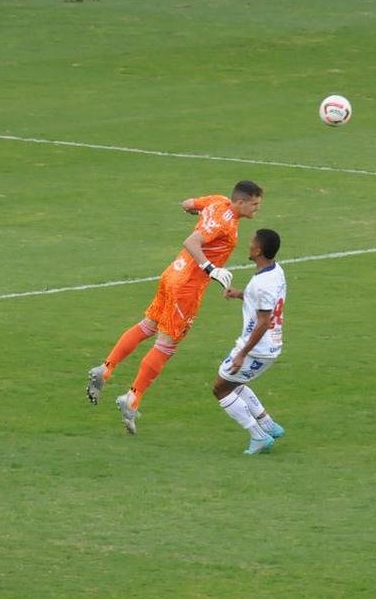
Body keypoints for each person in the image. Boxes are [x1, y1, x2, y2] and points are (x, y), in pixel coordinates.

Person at [87, 180, 265, 434]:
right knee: (166, 345)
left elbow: (188, 204)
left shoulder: (216, 200)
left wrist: (196, 211)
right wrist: (210, 268)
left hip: (172, 274)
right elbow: (192, 242)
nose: (257, 210)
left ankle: (105, 369)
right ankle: (132, 397)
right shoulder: (225, 222)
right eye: (255, 204)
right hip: (188, 287)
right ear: (240, 202)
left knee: (148, 325)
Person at [213, 229, 287, 455]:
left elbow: (263, 321)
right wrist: (238, 294)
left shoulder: (261, 283)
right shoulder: (275, 272)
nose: (249, 245)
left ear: (259, 250)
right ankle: (268, 425)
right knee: (233, 382)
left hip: (257, 349)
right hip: (271, 345)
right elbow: (262, 300)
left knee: (220, 389)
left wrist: (242, 353)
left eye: (252, 243)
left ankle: (258, 436)